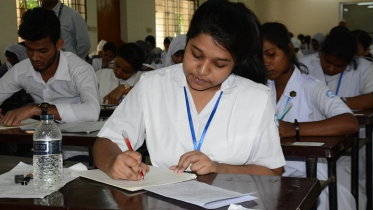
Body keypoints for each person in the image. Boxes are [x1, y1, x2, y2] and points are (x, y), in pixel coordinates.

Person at [93, 0, 285, 181]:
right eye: (196, 55)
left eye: (219, 64)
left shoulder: (256, 98)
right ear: (186, 43)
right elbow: (106, 141)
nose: (202, 70)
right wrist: (112, 162)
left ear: (236, 63)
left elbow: (272, 172)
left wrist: (218, 168)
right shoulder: (153, 85)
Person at [263, 22, 359, 210]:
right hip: (267, 173)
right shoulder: (259, 88)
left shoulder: (310, 86)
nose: (265, 62)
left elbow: (350, 122)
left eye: (271, 54)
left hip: (305, 171)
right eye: (258, 56)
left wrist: (295, 129)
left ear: (289, 50)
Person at [300, 29, 373, 210]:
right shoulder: (304, 65)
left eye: (338, 66)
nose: (331, 68)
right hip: (310, 141)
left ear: (351, 61)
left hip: (350, 145)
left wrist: (335, 102)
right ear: (321, 52)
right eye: (327, 62)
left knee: (347, 181)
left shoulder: (364, 68)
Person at [0, 7, 99, 126]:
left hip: (78, 139)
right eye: (30, 50)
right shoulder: (21, 70)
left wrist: (37, 109)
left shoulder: (79, 69)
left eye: (43, 51)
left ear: (58, 45)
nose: (35, 57)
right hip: (41, 138)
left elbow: (92, 111)